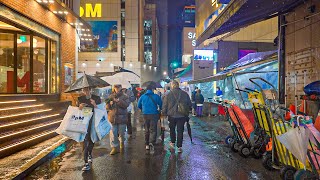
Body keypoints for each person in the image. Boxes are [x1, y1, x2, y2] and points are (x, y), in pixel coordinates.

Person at [162, 80, 192, 153]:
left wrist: (164, 113)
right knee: (180, 130)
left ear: (172, 86)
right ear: (178, 85)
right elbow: (189, 104)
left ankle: (172, 142)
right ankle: (179, 146)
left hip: (171, 115)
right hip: (182, 115)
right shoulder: (185, 94)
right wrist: (187, 112)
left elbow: (165, 105)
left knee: (172, 129)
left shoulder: (168, 94)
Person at [77, 87, 101, 171]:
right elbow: (78, 112)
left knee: (91, 140)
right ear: (83, 91)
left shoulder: (96, 98)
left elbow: (101, 111)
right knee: (85, 142)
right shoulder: (80, 99)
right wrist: (79, 107)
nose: (86, 91)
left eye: (88, 89)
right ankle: (86, 163)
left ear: (91, 90)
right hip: (84, 123)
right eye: (84, 90)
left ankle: (90, 153)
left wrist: (95, 104)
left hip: (94, 122)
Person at [106, 84, 130, 155]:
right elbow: (107, 108)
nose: (117, 88)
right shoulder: (110, 96)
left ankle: (122, 142)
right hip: (112, 118)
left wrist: (118, 101)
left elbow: (126, 105)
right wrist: (109, 104)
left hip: (122, 118)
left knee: (121, 133)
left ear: (121, 87)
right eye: (115, 87)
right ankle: (114, 148)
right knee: (113, 133)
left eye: (118, 87)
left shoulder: (125, 96)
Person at [138, 84, 162, 150]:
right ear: (152, 89)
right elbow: (161, 104)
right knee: (153, 129)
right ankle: (152, 142)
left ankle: (147, 144)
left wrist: (143, 109)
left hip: (145, 114)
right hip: (154, 114)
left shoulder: (142, 96)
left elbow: (138, 105)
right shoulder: (156, 96)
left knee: (146, 129)